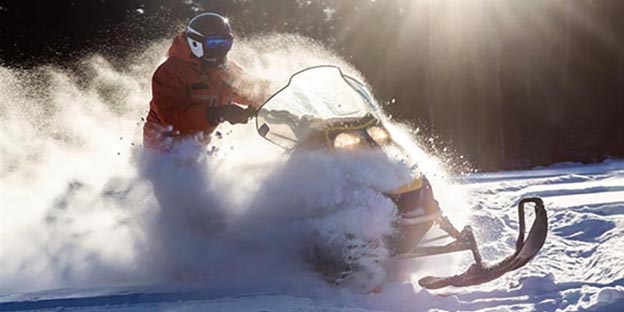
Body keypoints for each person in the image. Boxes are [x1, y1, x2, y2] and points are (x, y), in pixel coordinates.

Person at [143, 12, 260, 151]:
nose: (220, 50)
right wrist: (217, 114)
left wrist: (272, 100)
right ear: (195, 43)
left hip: (200, 144)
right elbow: (173, 118)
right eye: (213, 44)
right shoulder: (170, 72)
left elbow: (251, 89)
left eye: (225, 43)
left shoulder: (225, 69)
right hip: (165, 148)